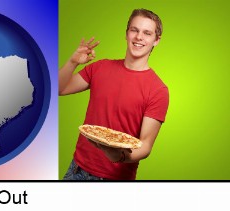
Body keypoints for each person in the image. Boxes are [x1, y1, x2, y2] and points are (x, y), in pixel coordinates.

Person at [59, 8, 169, 180]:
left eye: (147, 33)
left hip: (115, 178)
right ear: (126, 34)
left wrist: (119, 156)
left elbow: (146, 145)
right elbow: (60, 88)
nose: (139, 37)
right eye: (134, 30)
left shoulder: (158, 90)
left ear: (156, 40)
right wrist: (73, 61)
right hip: (77, 169)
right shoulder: (100, 67)